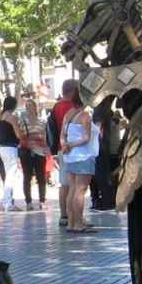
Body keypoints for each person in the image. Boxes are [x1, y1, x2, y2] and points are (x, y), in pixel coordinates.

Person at [60, 104, 99, 233]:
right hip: (84, 155)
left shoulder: (68, 114)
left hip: (71, 157)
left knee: (72, 189)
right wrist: (71, 145)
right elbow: (86, 138)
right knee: (80, 191)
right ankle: (78, 223)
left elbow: (62, 136)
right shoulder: (85, 116)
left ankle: (71, 223)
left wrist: (66, 146)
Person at [49, 81, 80, 221]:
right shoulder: (73, 107)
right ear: (74, 91)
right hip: (74, 147)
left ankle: (64, 214)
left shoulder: (56, 107)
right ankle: (74, 216)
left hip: (61, 148)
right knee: (75, 185)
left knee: (64, 183)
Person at [0, 97, 24, 212]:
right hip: (11, 148)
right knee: (11, 175)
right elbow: (18, 135)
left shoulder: (0, 117)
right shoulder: (11, 117)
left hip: (2, 148)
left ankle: (7, 201)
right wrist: (22, 134)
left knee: (9, 174)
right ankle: (7, 202)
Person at [19, 97, 49, 210]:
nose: (29, 108)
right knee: (27, 177)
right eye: (27, 106)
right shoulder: (22, 121)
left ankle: (42, 200)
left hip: (40, 151)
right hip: (26, 151)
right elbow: (19, 136)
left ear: (35, 107)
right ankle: (28, 202)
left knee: (41, 177)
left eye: (31, 106)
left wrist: (46, 148)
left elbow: (45, 136)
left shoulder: (42, 121)